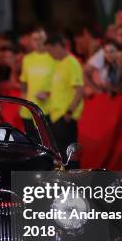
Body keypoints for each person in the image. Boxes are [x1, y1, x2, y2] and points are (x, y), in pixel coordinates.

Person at [46, 34, 84, 166]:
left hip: (65, 116)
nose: (49, 54)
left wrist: (69, 112)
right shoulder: (57, 64)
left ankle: (74, 181)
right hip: (56, 116)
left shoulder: (72, 63)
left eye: (50, 50)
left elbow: (79, 90)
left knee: (69, 154)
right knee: (60, 154)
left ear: (57, 47)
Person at [19, 27, 54, 139]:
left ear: (46, 39)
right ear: (31, 41)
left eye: (41, 38)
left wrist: (48, 94)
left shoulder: (54, 58)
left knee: (48, 143)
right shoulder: (27, 59)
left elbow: (60, 83)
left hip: (48, 109)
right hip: (28, 109)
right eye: (35, 39)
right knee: (33, 144)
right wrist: (23, 98)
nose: (38, 42)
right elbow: (24, 81)